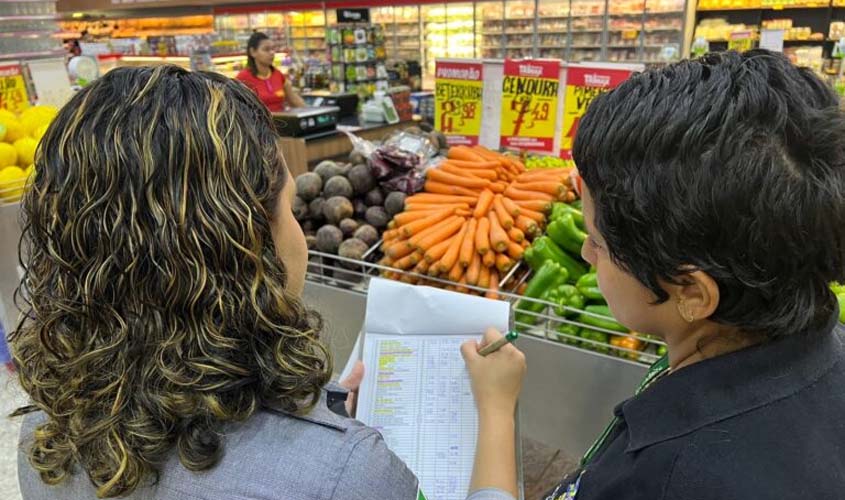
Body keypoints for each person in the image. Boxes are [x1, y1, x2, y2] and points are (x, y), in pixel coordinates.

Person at [12, 66, 417, 499]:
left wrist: (323, 422)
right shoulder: (349, 475)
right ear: (253, 244)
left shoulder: (43, 436)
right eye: (289, 205)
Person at [462, 50, 845, 500]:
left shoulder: (661, 478)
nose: (585, 253)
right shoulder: (823, 349)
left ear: (693, 293)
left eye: (598, 243)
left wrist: (496, 409)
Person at [236, 32, 305, 112]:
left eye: (273, 49)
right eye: (266, 49)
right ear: (253, 52)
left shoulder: (278, 75)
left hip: (282, 119)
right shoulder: (242, 78)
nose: (272, 53)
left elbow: (295, 101)